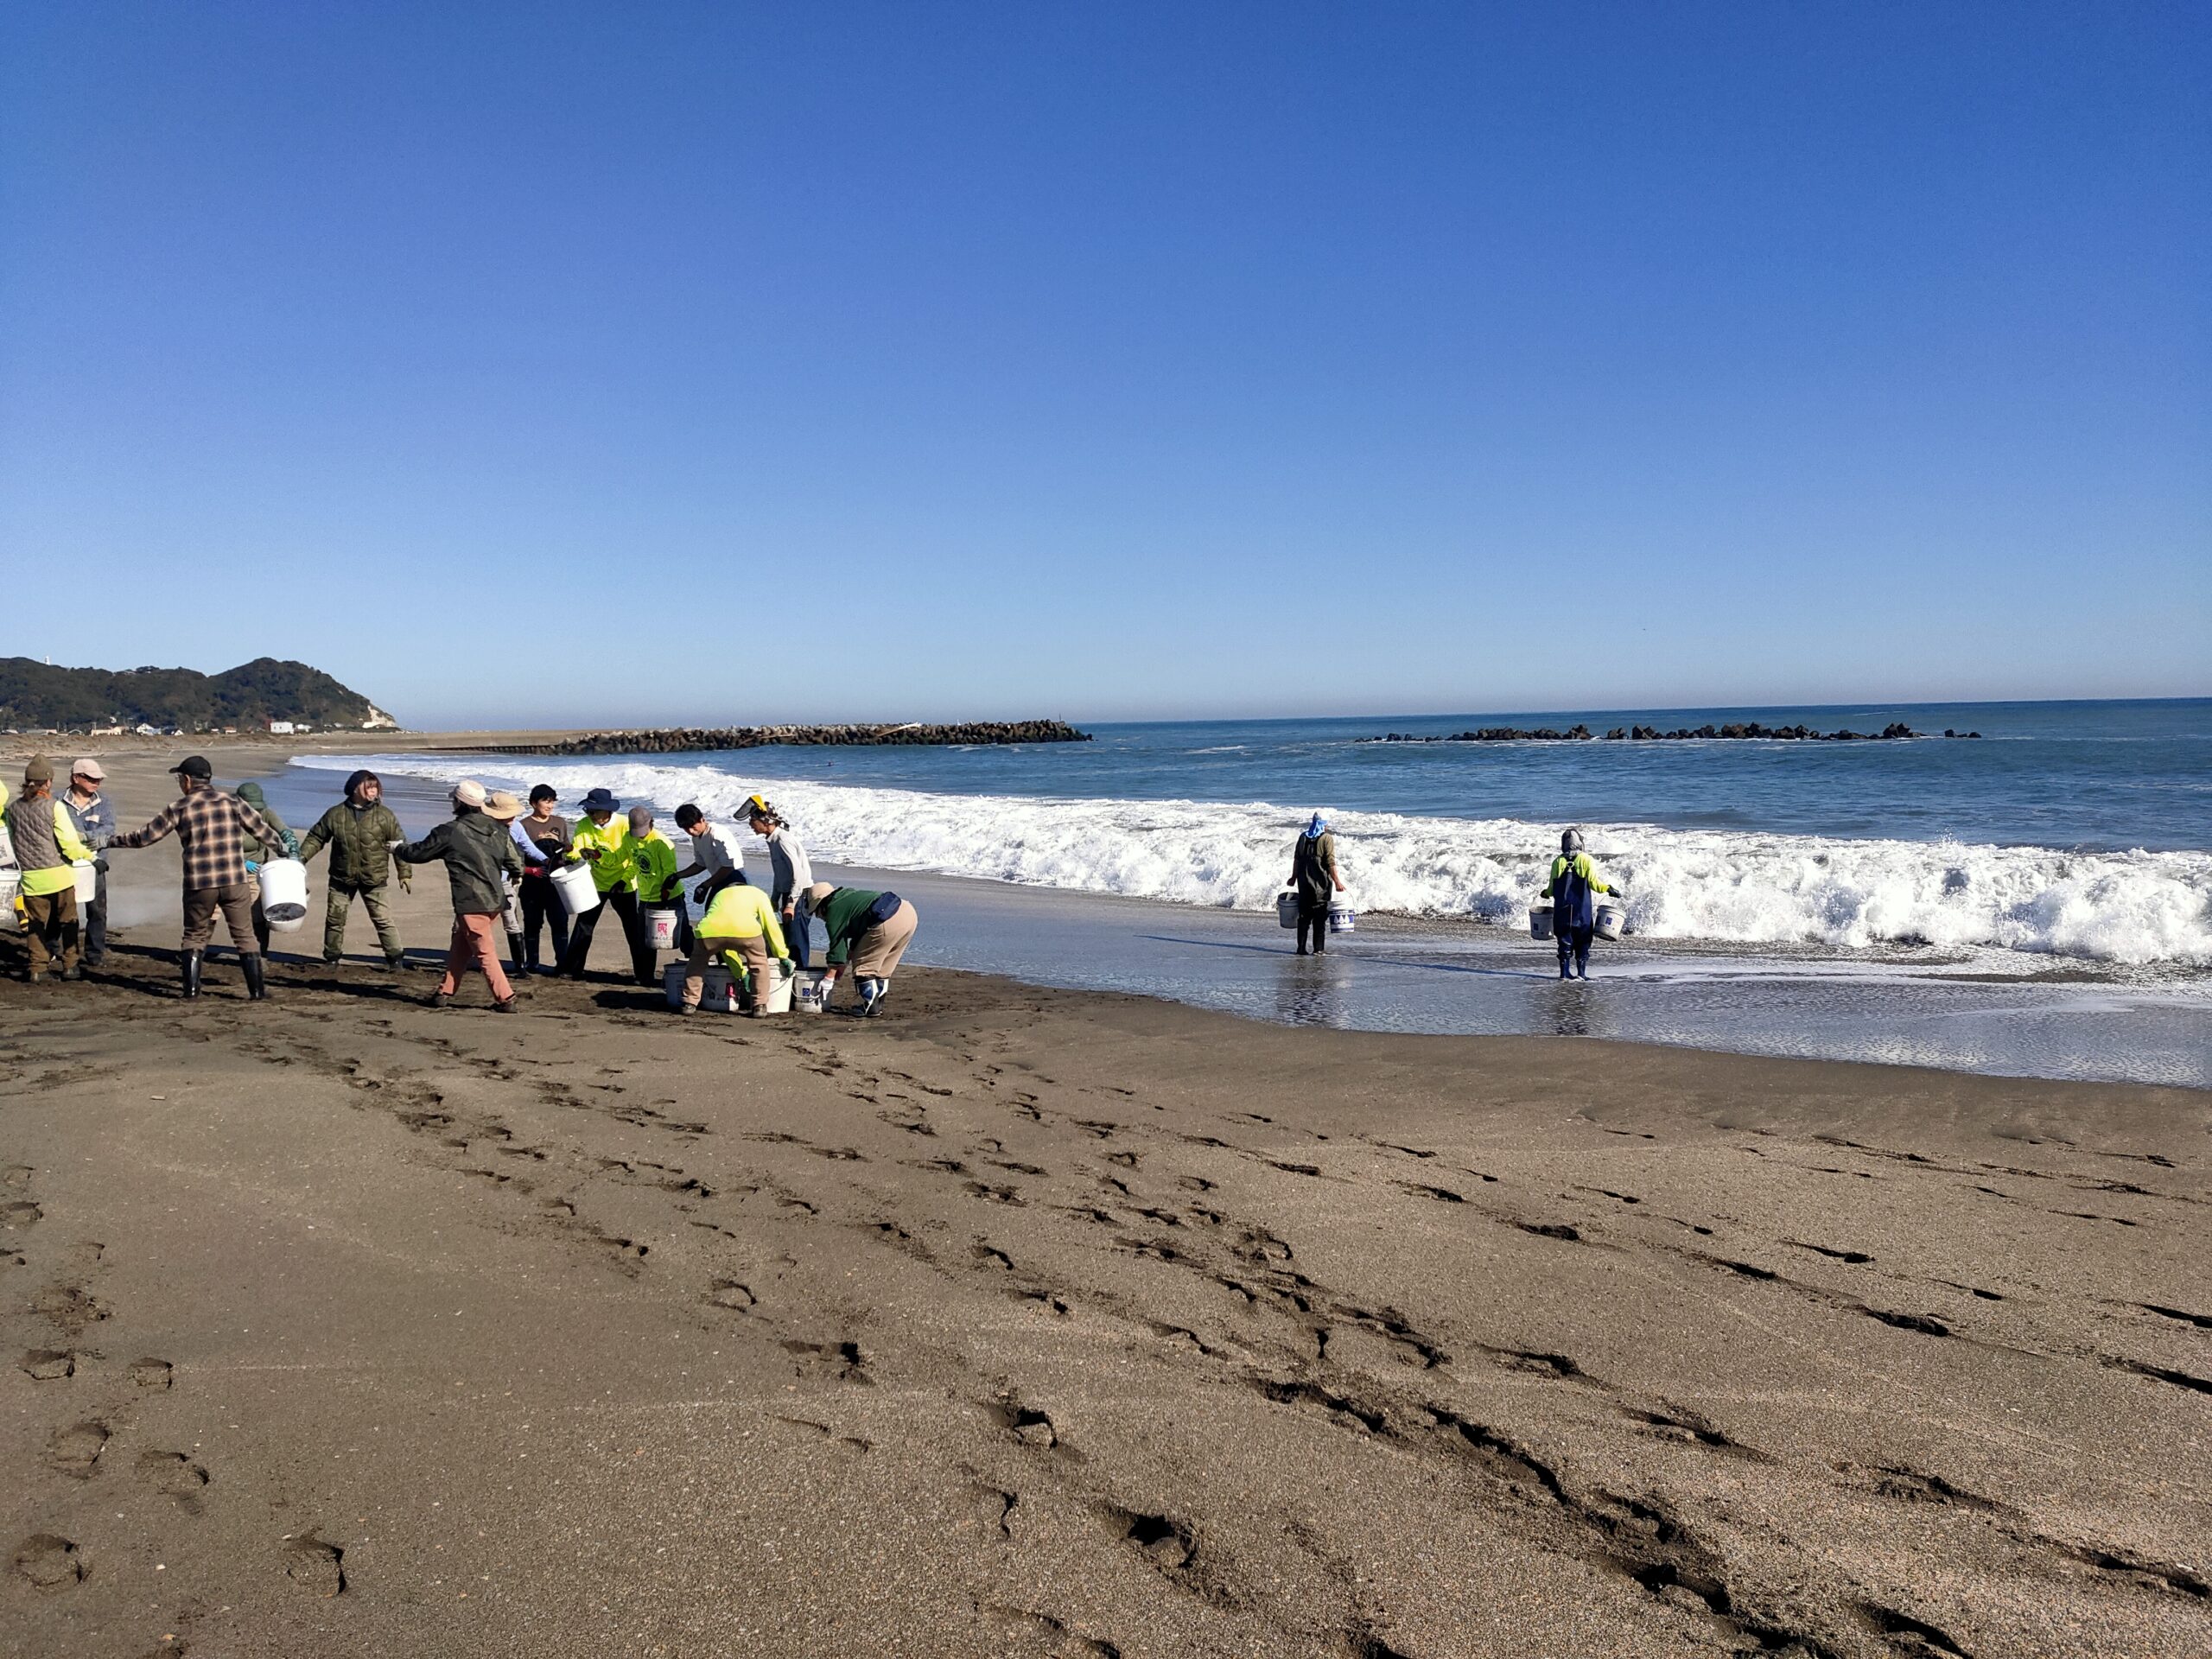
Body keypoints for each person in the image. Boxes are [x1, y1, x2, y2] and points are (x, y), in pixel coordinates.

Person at [107, 755, 289, 1000]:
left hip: (200, 883)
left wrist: (109, 841)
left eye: (179, 779)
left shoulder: (179, 808)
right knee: (244, 935)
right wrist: (282, 849)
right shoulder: (233, 802)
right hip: (234, 880)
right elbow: (262, 831)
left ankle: (191, 991)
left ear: (187, 780)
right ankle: (257, 992)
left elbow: (144, 838)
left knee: (194, 935)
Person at [393, 780, 525, 1012]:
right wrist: (516, 874)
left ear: (459, 803)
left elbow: (418, 853)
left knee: (484, 951)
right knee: (461, 945)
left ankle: (506, 998)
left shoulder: (450, 831)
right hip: (495, 898)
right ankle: (444, 992)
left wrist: (397, 848)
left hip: (471, 900)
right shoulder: (498, 829)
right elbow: (516, 861)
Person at [296, 770, 410, 970]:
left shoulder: (385, 815)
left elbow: (399, 844)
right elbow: (316, 838)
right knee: (335, 919)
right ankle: (331, 958)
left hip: (374, 879)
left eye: (376, 788)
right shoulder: (335, 814)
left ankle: (395, 959)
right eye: (369, 787)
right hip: (341, 878)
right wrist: (300, 860)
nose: (374, 791)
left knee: (383, 919)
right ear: (356, 788)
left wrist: (405, 873)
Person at [5, 757, 95, 982]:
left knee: (35, 924)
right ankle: (70, 966)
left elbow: (13, 842)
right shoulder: (54, 806)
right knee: (69, 921)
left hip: (30, 877)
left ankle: (37, 968)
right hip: (58, 874)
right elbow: (70, 844)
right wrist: (90, 857)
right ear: (47, 782)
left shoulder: (12, 810)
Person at [558, 787, 653, 984]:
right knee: (584, 926)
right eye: (588, 811)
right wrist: (572, 852)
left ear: (607, 810)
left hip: (623, 883)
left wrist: (624, 880)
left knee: (632, 929)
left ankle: (642, 973)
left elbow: (634, 859)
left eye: (594, 811)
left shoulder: (624, 826)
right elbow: (577, 850)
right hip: (596, 882)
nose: (591, 815)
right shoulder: (584, 824)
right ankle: (572, 969)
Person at [677, 868, 791, 1017]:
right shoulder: (758, 894)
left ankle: (689, 1003)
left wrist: (740, 972)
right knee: (759, 963)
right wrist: (782, 955)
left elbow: (725, 943)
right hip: (747, 932)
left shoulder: (720, 894)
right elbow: (771, 926)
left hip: (709, 932)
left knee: (697, 963)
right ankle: (759, 1005)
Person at [800, 882, 918, 1016]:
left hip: (886, 919)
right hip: (908, 913)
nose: (819, 917)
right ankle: (878, 1004)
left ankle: (870, 1006)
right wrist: (843, 964)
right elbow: (860, 934)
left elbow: (837, 945)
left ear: (820, 905)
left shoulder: (833, 908)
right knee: (883, 966)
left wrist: (829, 978)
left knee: (863, 965)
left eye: (816, 913)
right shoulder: (846, 896)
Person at [744, 794, 816, 969]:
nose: (751, 824)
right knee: (789, 938)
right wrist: (775, 898)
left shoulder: (783, 840)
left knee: (796, 940)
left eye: (753, 820)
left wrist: (790, 904)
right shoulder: (773, 840)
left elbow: (798, 874)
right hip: (789, 893)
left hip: (799, 895)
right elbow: (781, 874)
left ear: (765, 821)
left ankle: (801, 974)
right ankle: (793, 974)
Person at [1541, 828, 1623, 981]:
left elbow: (1551, 889)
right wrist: (1609, 889)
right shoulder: (1586, 859)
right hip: (1581, 910)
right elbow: (1595, 884)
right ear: (1580, 843)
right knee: (1583, 940)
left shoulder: (1557, 861)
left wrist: (1545, 893)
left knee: (1564, 940)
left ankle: (1564, 974)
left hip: (1562, 910)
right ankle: (1581, 974)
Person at [235, 781, 302, 957]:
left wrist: (293, 851)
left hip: (255, 872)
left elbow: (285, 832)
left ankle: (259, 955)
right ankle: (196, 950)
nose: (254, 812)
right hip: (228, 870)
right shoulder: (227, 818)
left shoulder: (265, 813)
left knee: (257, 913)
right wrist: (242, 862)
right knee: (212, 912)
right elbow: (218, 848)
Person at [60, 759, 115, 968]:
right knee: (62, 910)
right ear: (76, 778)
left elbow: (108, 829)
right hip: (65, 864)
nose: (96, 782)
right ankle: (56, 949)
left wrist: (83, 837)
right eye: (91, 778)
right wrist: (76, 839)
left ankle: (95, 953)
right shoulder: (57, 801)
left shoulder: (105, 802)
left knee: (97, 910)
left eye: (98, 779)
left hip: (95, 864)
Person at [513, 785, 571, 974]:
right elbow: (516, 856)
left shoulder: (560, 822)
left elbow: (567, 848)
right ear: (533, 803)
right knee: (532, 924)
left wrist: (569, 853)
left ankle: (562, 964)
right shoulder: (523, 825)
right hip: (532, 883)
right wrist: (531, 871)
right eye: (546, 801)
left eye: (552, 801)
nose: (550, 805)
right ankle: (532, 963)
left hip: (556, 883)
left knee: (560, 923)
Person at [629, 804, 689, 952]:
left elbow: (670, 871)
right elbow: (624, 858)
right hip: (646, 896)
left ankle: (694, 964)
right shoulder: (629, 839)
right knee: (645, 939)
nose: (640, 835)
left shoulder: (662, 842)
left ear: (651, 823)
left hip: (670, 895)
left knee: (683, 934)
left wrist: (666, 890)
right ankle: (645, 969)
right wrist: (600, 857)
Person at [1288, 810, 1344, 957]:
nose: (1327, 826)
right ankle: (1318, 949)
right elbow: (1330, 862)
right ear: (1323, 824)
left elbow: (1297, 859)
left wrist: (1293, 877)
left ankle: (1301, 948)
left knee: (1304, 918)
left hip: (1304, 884)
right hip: (1321, 885)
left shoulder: (1303, 837)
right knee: (1319, 919)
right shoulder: (1327, 838)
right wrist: (1337, 881)